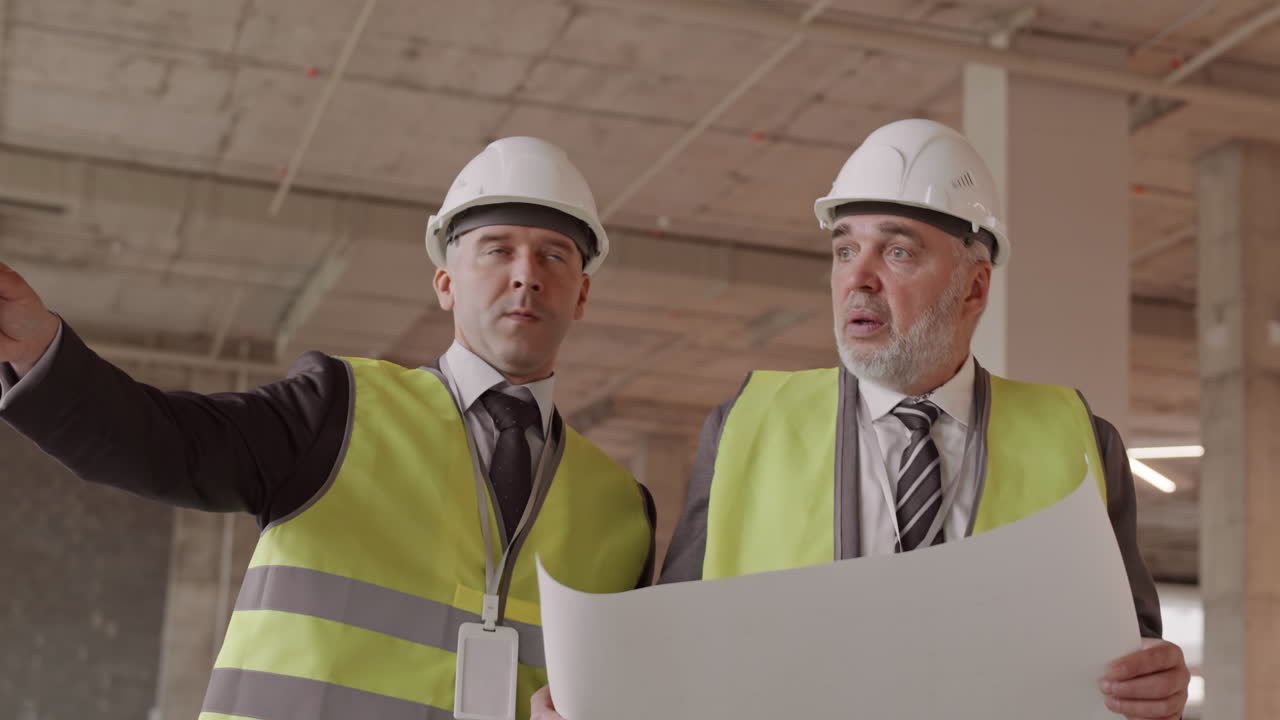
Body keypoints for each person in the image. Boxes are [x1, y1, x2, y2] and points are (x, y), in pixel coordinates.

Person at [531, 120, 1189, 720]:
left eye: (897, 252)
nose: (858, 280)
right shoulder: (745, 428)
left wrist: (1158, 682)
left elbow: (1134, 654)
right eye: (845, 250)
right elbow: (670, 658)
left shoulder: (1078, 440)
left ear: (975, 286)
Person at [0, 136, 656, 720]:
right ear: (445, 282)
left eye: (555, 256)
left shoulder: (623, 510)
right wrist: (38, 353)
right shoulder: (338, 412)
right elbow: (165, 444)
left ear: (582, 295)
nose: (526, 275)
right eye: (497, 250)